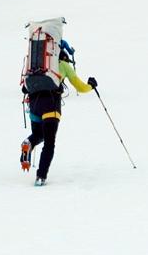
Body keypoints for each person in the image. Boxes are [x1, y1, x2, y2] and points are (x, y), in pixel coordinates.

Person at [20, 38, 96, 186]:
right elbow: (80, 87)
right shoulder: (64, 65)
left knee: (38, 135)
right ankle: (41, 177)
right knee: (49, 143)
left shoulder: (37, 66)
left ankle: (28, 142)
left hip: (34, 104)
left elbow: (24, 87)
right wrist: (91, 86)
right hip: (51, 106)